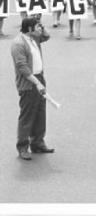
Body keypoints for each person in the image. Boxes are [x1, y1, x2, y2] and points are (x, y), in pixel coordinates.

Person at [10, 16, 54, 160]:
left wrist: (40, 24)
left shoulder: (34, 38)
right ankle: (22, 146)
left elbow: (47, 36)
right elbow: (22, 67)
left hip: (39, 77)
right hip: (29, 82)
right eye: (37, 27)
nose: (40, 29)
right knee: (28, 115)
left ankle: (37, 142)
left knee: (40, 112)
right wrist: (36, 83)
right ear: (29, 29)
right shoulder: (18, 44)